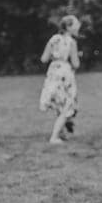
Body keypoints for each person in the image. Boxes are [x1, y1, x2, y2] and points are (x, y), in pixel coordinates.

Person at [39, 15, 81, 144]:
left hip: (53, 72)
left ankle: (61, 133)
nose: (78, 26)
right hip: (65, 74)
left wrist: (55, 56)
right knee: (67, 106)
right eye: (76, 24)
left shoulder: (53, 39)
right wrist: (76, 56)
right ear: (69, 27)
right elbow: (76, 64)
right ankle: (54, 137)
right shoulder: (71, 42)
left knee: (59, 105)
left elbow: (44, 59)